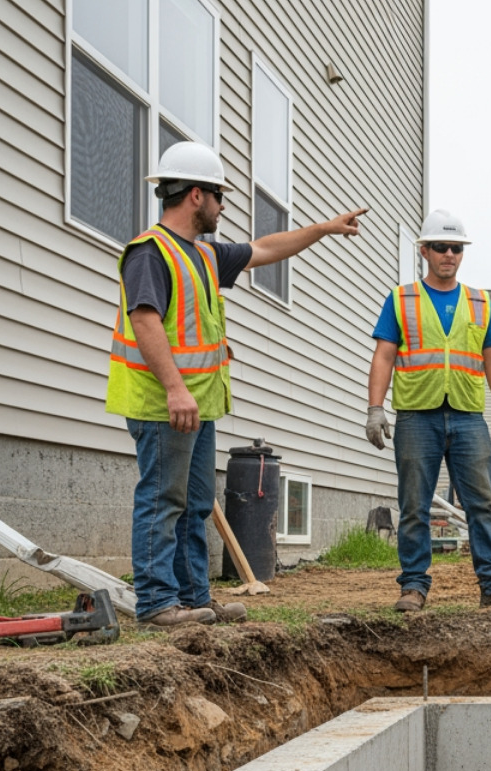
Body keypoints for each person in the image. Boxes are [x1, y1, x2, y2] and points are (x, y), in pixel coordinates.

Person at [108, 141, 366, 628]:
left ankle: (194, 598)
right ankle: (157, 604)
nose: (224, 206)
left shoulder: (202, 256)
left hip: (198, 406)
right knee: (163, 499)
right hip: (164, 404)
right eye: (220, 196)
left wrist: (324, 230)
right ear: (197, 196)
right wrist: (175, 388)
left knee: (196, 502)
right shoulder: (151, 252)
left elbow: (267, 248)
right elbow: (144, 321)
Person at [364, 209, 491, 613]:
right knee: (415, 505)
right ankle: (414, 587)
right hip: (417, 416)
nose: (449, 254)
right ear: (424, 251)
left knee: (482, 506)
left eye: (456, 248)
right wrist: (374, 408)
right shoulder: (401, 299)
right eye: (441, 247)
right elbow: (384, 356)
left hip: (468, 417)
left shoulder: (479, 301)